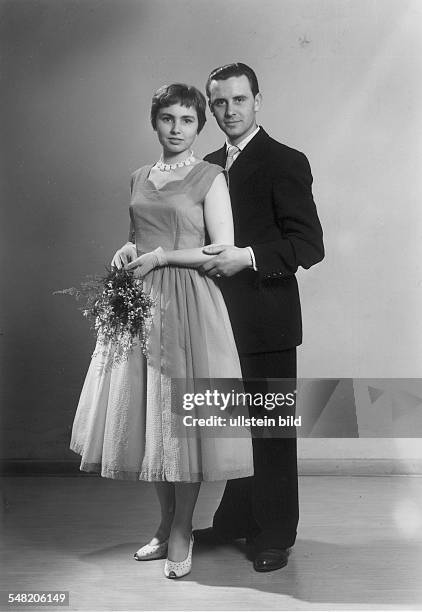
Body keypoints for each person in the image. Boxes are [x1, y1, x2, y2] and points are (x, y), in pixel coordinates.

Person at [70, 83, 253, 579]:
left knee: (184, 422)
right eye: (168, 119)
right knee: (152, 418)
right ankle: (166, 519)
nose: (176, 128)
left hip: (189, 304)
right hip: (140, 304)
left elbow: (222, 248)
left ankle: (183, 528)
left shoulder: (211, 176)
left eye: (187, 120)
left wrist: (163, 257)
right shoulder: (138, 176)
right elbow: (138, 236)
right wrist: (127, 251)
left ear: (199, 126)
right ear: (155, 122)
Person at [194, 63, 325, 572]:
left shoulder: (284, 161)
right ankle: (234, 522)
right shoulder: (203, 165)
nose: (229, 111)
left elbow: (308, 245)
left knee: (269, 430)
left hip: (267, 319)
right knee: (230, 427)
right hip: (217, 320)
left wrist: (246, 256)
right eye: (219, 103)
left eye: (239, 101)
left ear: (257, 101)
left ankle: (274, 534)